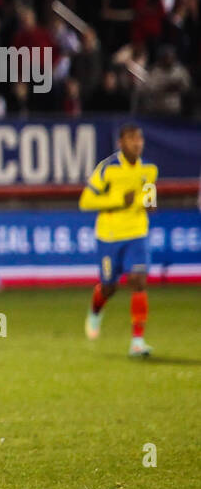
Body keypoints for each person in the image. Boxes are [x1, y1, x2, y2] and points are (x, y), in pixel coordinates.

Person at [79, 123, 158, 357]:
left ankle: (137, 342)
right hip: (109, 235)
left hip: (137, 233)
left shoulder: (149, 170)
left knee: (138, 280)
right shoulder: (107, 169)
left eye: (139, 139)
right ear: (120, 143)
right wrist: (117, 200)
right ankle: (95, 312)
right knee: (109, 287)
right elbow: (86, 201)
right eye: (132, 139)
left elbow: (151, 200)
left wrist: (149, 203)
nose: (137, 143)